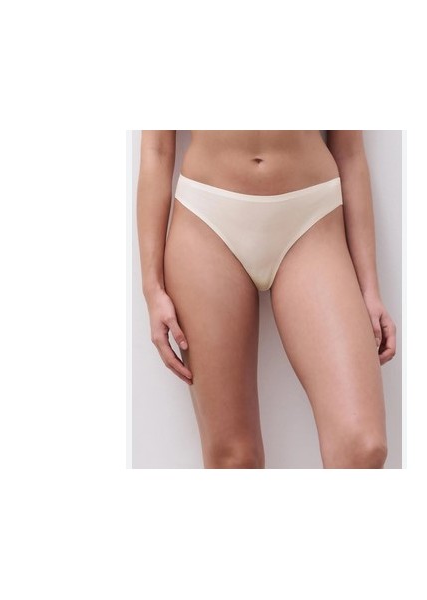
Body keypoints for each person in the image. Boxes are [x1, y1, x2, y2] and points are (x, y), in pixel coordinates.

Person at [137, 130, 396, 469]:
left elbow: (349, 153)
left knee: (362, 447)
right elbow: (156, 150)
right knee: (234, 460)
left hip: (312, 220)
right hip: (206, 219)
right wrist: (152, 288)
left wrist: (369, 289)